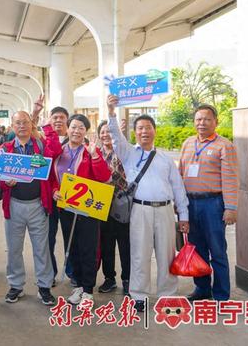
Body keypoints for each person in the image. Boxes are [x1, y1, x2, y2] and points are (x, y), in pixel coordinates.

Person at [107, 94, 189, 312]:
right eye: (140, 128)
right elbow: (115, 136)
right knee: (139, 253)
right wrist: (111, 112)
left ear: (154, 131)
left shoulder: (165, 159)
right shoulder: (128, 154)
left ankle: (168, 295)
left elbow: (178, 187)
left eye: (148, 127)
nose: (144, 131)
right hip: (140, 210)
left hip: (164, 211)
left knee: (167, 254)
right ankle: (139, 295)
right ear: (135, 132)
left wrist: (184, 216)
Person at [0, 103, 61, 306]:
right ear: (12, 126)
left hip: (37, 205)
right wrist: (5, 181)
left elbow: (55, 154)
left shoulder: (40, 147)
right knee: (14, 248)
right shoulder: (5, 150)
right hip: (14, 205)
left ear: (31, 124)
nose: (22, 126)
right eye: (18, 123)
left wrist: (44, 126)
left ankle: (44, 286)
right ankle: (16, 285)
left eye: (26, 122)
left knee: (41, 248)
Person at [178, 104, 238, 301]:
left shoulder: (224, 145)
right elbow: (180, 174)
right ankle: (202, 289)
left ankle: (221, 295)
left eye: (206, 119)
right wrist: (179, 204)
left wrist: (230, 207)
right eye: (198, 119)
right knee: (197, 250)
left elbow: (230, 178)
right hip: (190, 204)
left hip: (213, 204)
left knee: (217, 251)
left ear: (216, 122)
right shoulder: (188, 143)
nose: (201, 123)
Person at [51, 114, 111, 304]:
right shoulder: (59, 151)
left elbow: (104, 176)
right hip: (66, 208)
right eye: (74, 127)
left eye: (81, 128)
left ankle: (88, 290)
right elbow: (52, 178)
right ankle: (77, 287)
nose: (76, 131)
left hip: (87, 209)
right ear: (67, 129)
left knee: (88, 248)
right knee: (73, 247)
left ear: (86, 131)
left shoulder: (91, 151)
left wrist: (94, 155)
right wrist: (54, 191)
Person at [41, 106, 75, 286]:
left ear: (67, 120)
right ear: (49, 119)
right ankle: (50, 273)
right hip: (50, 197)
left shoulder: (78, 140)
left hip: (72, 198)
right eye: (55, 117)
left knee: (72, 237)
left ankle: (72, 272)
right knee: (48, 238)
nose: (58, 120)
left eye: (62, 117)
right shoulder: (43, 139)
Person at [96, 120, 130, 295]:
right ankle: (109, 278)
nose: (105, 135)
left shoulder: (123, 151)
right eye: (102, 132)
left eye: (109, 131)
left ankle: (127, 279)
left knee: (125, 244)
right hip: (101, 205)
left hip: (122, 204)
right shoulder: (95, 153)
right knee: (106, 244)